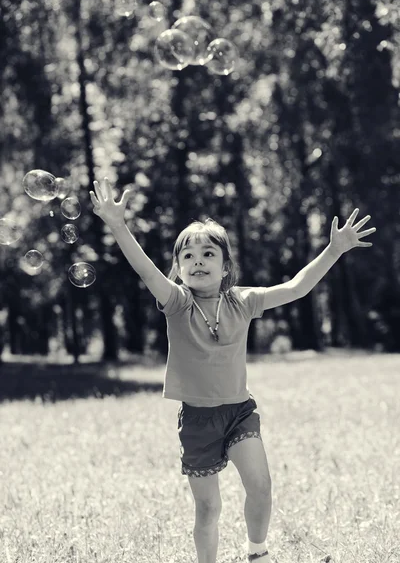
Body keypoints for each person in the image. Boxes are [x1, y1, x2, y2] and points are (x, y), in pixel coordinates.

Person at [89, 178, 376, 563]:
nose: (198, 262)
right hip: (197, 420)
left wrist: (334, 250)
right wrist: (118, 225)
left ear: (226, 268)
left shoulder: (242, 302)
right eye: (187, 257)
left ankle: (257, 554)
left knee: (261, 486)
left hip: (239, 411)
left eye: (208, 254)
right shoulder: (177, 303)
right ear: (177, 269)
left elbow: (295, 288)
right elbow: (145, 270)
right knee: (208, 509)